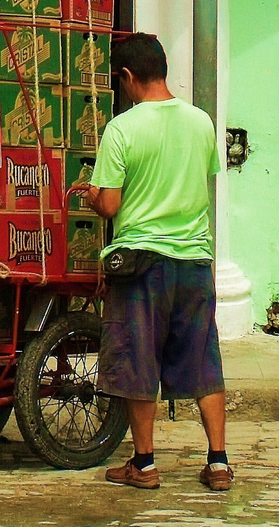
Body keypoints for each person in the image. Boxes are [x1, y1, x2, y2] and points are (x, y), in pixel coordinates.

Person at [82, 32, 231, 492]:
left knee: (137, 359)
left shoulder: (123, 128)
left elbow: (109, 205)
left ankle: (144, 465)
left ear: (127, 77)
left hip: (142, 264)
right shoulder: (201, 122)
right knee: (205, 360)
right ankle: (219, 462)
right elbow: (201, 180)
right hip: (194, 260)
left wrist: (88, 193)